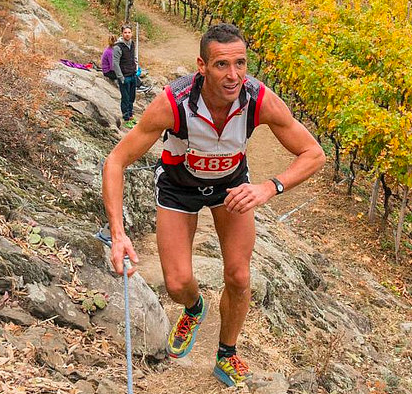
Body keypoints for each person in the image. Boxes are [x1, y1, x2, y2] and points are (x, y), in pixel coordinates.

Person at [101, 23, 325, 387]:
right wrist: (117, 233)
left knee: (239, 276)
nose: (233, 75)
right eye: (222, 64)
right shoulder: (173, 103)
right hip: (178, 189)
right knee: (177, 283)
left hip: (230, 188)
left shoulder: (258, 99)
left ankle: (227, 351)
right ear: (201, 66)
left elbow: (313, 153)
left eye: (241, 63)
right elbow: (115, 161)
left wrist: (270, 187)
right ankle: (193, 308)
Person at [111, 25, 138, 127]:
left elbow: (134, 57)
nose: (127, 34)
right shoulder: (118, 47)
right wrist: (120, 77)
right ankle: (126, 118)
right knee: (125, 98)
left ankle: (130, 115)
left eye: (129, 32)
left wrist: (136, 68)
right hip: (124, 76)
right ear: (122, 34)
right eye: (125, 32)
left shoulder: (132, 44)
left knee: (132, 97)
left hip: (132, 74)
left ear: (131, 33)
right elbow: (115, 63)